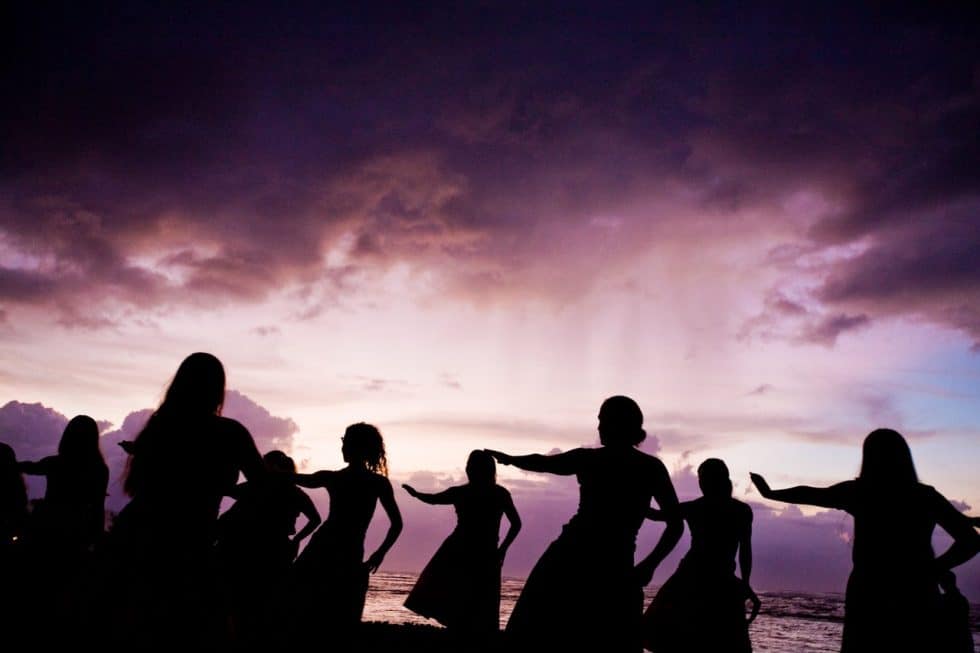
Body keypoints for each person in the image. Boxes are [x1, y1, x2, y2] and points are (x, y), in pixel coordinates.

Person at [751, 428, 980, 653]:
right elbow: (971, 541)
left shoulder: (860, 492)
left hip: (869, 593)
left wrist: (772, 494)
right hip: (917, 593)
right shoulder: (925, 496)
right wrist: (933, 568)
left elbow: (811, 493)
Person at [486, 395, 683, 653]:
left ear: (618, 423)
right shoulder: (611, 461)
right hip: (579, 556)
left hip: (603, 561)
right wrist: (511, 459)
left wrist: (649, 565)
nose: (599, 427)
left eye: (603, 420)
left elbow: (676, 523)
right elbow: (544, 463)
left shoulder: (643, 467)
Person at [104, 352, 265, 647]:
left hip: (137, 538)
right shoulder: (230, 433)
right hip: (190, 545)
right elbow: (264, 487)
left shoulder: (160, 427)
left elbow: (144, 485)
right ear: (218, 389)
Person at [289, 422, 403, 644]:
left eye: (345, 443)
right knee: (335, 616)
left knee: (310, 611)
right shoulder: (376, 482)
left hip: (328, 549)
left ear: (355, 447)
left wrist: (379, 553)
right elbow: (397, 524)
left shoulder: (336, 478)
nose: (342, 448)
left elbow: (300, 479)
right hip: (344, 551)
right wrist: (380, 553)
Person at [403, 450, 522, 643]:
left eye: (471, 466)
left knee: (465, 598)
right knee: (471, 599)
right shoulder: (496, 493)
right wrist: (503, 549)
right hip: (476, 551)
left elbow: (433, 499)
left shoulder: (472, 492)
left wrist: (417, 495)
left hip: (466, 550)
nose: (469, 470)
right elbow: (434, 499)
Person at [643, 458, 759, 653]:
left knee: (673, 635)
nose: (702, 483)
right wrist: (745, 583)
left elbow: (656, 515)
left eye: (704, 479)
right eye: (701, 479)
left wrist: (638, 496)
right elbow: (745, 551)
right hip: (715, 577)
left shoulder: (696, 507)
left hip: (693, 576)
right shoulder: (740, 510)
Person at [215, 450, 321, 646]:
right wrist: (297, 539)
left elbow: (228, 491)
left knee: (243, 599)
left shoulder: (257, 486)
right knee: (266, 600)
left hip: (253, 548)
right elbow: (315, 519)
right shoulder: (295, 492)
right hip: (276, 548)